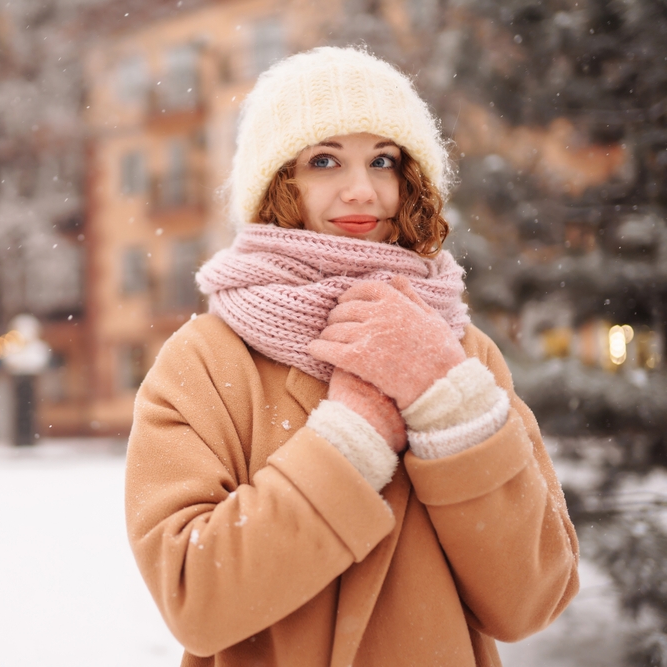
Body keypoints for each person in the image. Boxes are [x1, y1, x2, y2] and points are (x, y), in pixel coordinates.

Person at [124, 47, 579, 667]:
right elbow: (195, 602)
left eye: (383, 160)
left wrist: (446, 402)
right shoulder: (204, 361)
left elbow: (532, 599)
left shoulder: (460, 354)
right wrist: (353, 439)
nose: (361, 189)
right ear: (279, 182)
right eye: (324, 160)